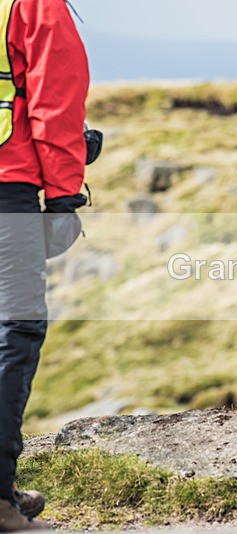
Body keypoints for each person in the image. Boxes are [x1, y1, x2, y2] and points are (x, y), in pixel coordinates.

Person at [0, 0, 90, 529]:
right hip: (7, 188)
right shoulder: (33, 3)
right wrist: (62, 200)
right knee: (16, 327)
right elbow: (55, 104)